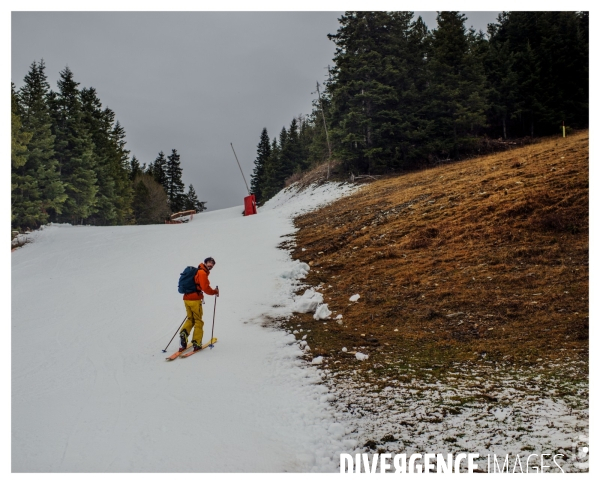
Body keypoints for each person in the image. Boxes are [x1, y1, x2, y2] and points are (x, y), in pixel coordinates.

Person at [179, 257, 219, 352]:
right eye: (209, 262)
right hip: (195, 299)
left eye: (212, 264)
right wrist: (214, 291)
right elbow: (205, 288)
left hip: (186, 298)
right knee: (198, 321)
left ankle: (184, 333)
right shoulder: (202, 273)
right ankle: (197, 343)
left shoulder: (197, 271)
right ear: (204, 263)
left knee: (190, 318)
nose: (211, 265)